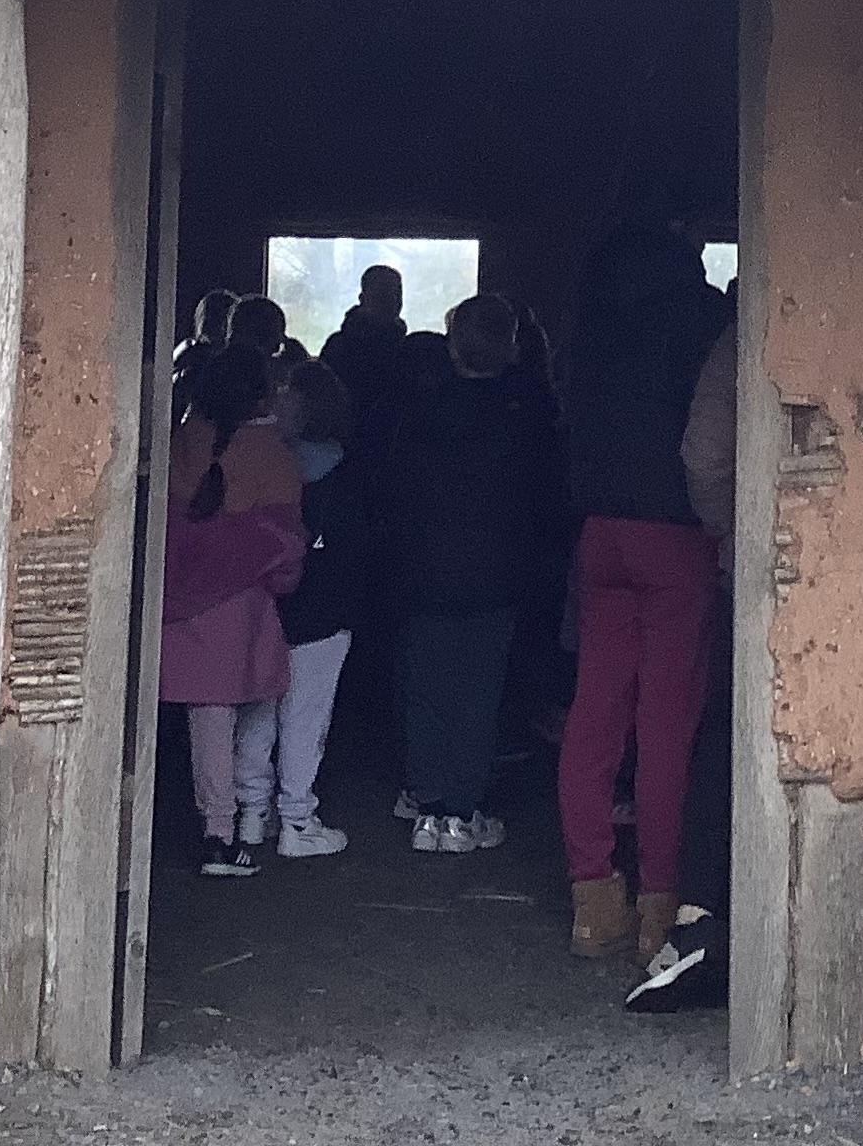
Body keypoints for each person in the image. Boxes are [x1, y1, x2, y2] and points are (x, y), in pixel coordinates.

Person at [555, 220, 730, 959]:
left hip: (600, 531)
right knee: (667, 722)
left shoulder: (592, 321)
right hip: (675, 532)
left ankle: (592, 900)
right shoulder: (703, 319)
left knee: (594, 713)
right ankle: (661, 902)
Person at [373, 291, 566, 855]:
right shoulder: (528, 413)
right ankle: (462, 810)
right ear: (511, 344)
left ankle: (429, 806)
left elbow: (392, 491)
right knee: (478, 694)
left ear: (452, 344)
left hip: (423, 573)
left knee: (426, 689)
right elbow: (547, 499)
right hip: (496, 576)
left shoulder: (421, 409)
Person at [628, 312, 738, 1012]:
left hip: (744, 561)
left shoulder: (737, 338)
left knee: (710, 733)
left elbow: (704, 452)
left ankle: (692, 917)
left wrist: (730, 527)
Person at [159, 345, 303, 878]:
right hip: (242, 606)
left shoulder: (182, 442)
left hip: (181, 606)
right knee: (250, 712)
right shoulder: (273, 455)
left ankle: (216, 826)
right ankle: (236, 826)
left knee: (207, 719)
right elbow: (285, 544)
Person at [238, 362, 369, 859]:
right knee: (305, 717)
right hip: (325, 611)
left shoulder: (265, 463)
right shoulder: (345, 473)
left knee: (255, 710)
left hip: (265, 604)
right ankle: (297, 819)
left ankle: (251, 814)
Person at [317, 264, 411, 434]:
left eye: (397, 294)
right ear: (363, 298)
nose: (392, 301)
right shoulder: (339, 347)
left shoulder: (407, 349)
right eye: (382, 294)